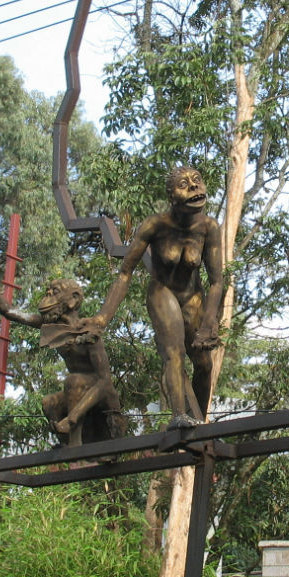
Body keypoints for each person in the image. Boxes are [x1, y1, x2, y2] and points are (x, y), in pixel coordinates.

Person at [81, 166, 224, 428]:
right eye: (184, 184)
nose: (194, 187)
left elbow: (216, 282)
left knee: (204, 364)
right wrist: (102, 318)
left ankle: (199, 421)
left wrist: (208, 324)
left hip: (193, 296)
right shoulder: (155, 225)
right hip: (163, 291)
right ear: (172, 196)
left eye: (197, 181)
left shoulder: (209, 227)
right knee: (175, 351)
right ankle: (178, 416)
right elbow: (125, 273)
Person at [0, 251, 124, 444]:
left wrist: (72, 417)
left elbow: (104, 382)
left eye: (55, 293)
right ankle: (66, 442)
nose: (48, 297)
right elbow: (10, 312)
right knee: (49, 403)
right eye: (48, 293)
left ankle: (76, 446)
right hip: (77, 392)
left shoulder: (88, 332)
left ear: (73, 299)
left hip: (102, 398)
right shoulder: (53, 328)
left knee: (73, 381)